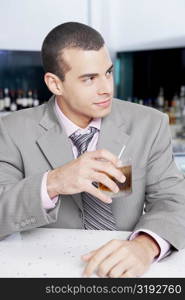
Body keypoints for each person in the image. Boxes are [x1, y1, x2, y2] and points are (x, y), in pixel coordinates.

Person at [0, 22, 185, 278]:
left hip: (129, 271)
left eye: (108, 73)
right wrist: (53, 182)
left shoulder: (149, 123)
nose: (106, 88)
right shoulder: (11, 129)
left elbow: (174, 200)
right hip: (46, 270)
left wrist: (145, 246)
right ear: (55, 84)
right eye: (89, 79)